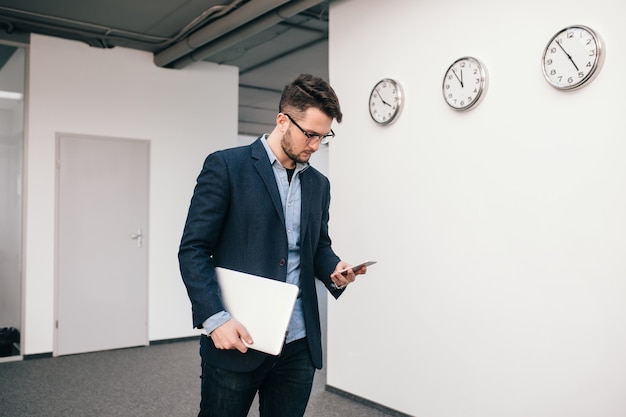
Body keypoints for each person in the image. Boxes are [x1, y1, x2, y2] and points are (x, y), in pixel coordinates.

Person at [178, 73, 368, 417]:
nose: (315, 145)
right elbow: (193, 250)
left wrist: (334, 268)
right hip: (238, 336)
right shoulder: (226, 166)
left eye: (324, 137)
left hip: (298, 343)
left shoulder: (319, 185)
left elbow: (317, 246)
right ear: (283, 120)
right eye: (310, 134)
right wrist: (214, 319)